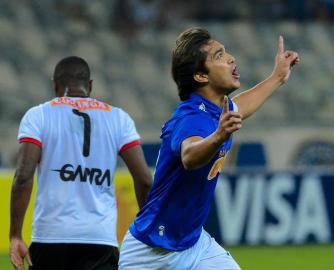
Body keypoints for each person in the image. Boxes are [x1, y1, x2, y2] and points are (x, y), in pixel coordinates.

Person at [119, 27, 299, 269]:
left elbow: (242, 105)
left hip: (195, 244)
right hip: (151, 253)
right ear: (201, 76)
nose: (230, 58)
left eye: (225, 52)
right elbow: (189, 156)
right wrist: (218, 136)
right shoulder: (190, 117)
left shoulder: (216, 110)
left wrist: (277, 76)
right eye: (219, 55)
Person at [9, 56, 152, 270]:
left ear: (55, 85)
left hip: (50, 239)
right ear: (91, 85)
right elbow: (144, 180)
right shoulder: (119, 118)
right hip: (100, 240)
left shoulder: (38, 116)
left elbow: (23, 177)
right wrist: (147, 229)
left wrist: (15, 235)